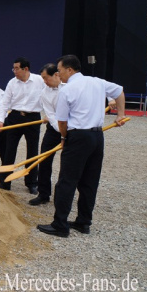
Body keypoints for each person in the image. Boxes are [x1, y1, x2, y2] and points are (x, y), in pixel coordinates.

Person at [37, 55, 125, 237]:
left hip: (78, 136)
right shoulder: (97, 82)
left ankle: (60, 225)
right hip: (97, 137)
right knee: (89, 181)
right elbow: (119, 91)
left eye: (60, 70)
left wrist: (64, 137)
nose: (58, 74)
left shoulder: (67, 90)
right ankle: (84, 222)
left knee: (67, 181)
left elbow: (62, 121)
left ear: (69, 70)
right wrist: (120, 115)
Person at [0, 57, 44, 193]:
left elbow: (51, 93)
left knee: (32, 151)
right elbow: (4, 103)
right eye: (14, 68)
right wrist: (0, 121)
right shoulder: (12, 83)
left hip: (33, 118)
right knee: (9, 149)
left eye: (17, 68)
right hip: (15, 117)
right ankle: (5, 181)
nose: (14, 71)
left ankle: (31, 183)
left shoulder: (39, 80)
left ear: (26, 69)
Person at [29, 63, 63, 206]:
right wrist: (61, 131)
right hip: (54, 129)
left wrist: (111, 99)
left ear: (56, 75)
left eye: (46, 78)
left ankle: (63, 196)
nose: (44, 81)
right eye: (42, 78)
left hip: (73, 129)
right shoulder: (44, 92)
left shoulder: (70, 87)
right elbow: (51, 114)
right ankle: (43, 194)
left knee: (67, 164)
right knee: (44, 159)